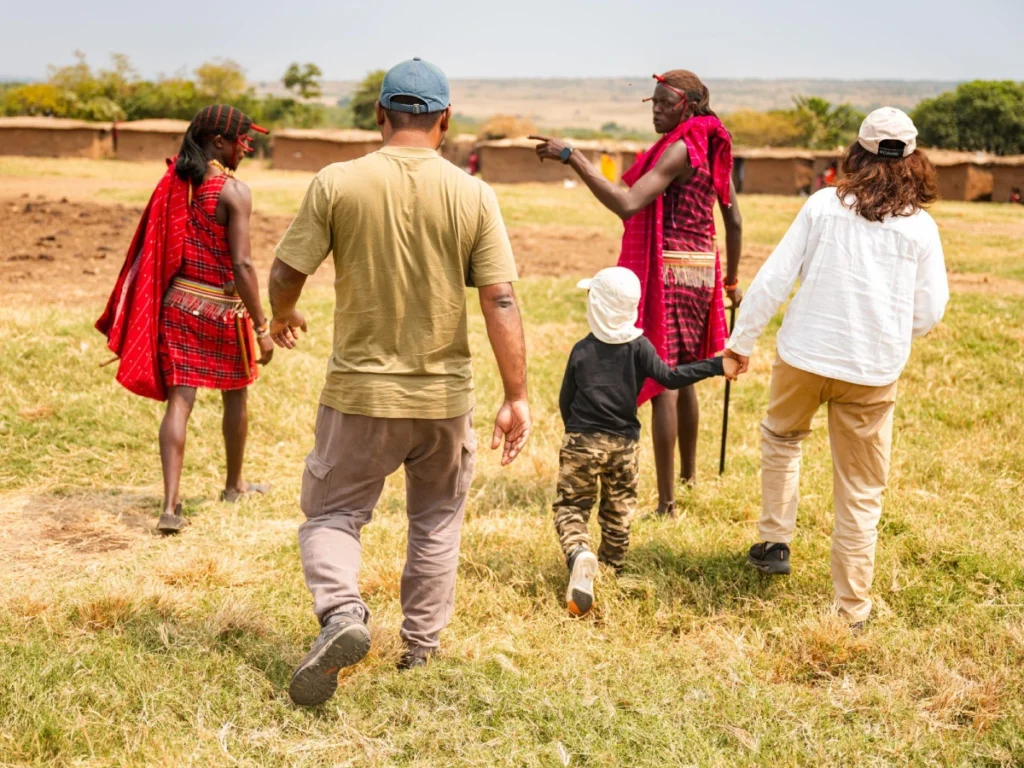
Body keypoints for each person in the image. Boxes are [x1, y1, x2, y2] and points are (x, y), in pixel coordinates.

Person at [268, 58, 529, 706]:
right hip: (444, 401)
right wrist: (516, 395)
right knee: (436, 521)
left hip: (360, 396)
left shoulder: (338, 182)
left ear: (380, 115)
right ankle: (421, 647)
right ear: (446, 120)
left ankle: (342, 613)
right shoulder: (473, 194)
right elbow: (499, 298)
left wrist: (282, 314)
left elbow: (286, 270)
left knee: (333, 514)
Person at [724, 107, 949, 629]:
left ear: (856, 153)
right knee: (861, 490)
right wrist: (890, 334)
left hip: (803, 356)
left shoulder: (823, 205)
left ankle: (774, 541)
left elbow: (775, 279)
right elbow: (931, 310)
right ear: (914, 159)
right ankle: (852, 609)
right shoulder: (921, 227)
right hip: (872, 372)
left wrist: (740, 343)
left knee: (782, 439)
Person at [532, 70, 742, 516]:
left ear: (688, 105)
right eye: (654, 102)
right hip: (702, 270)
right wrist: (731, 280)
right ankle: (688, 479)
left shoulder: (681, 148)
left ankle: (667, 503)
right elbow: (735, 221)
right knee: (686, 377)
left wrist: (573, 157)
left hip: (671, 270)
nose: (657, 111)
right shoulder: (712, 143)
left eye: (666, 103)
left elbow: (627, 204)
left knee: (664, 382)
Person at [96, 105, 274, 534]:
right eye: (241, 142)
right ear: (219, 142)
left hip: (179, 307)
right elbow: (243, 265)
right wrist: (262, 327)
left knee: (180, 401)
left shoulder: (178, 184)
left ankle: (171, 506)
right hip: (223, 312)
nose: (245, 149)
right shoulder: (233, 192)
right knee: (236, 394)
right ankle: (234, 486)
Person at [556, 267, 737, 616]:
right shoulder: (640, 347)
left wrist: (575, 435)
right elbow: (671, 376)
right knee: (618, 510)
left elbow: (566, 400)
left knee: (572, 506)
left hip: (581, 440)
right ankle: (611, 567)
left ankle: (579, 553)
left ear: (597, 306)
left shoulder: (581, 350)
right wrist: (717, 365)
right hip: (624, 445)